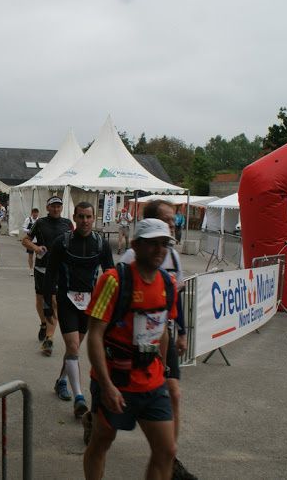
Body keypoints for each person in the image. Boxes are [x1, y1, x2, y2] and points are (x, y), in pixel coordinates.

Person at [83, 218, 178, 480]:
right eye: (152, 244)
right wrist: (106, 385)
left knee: (166, 450)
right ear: (135, 245)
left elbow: (163, 330)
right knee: (101, 442)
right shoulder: (114, 280)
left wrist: (165, 370)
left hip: (152, 382)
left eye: (164, 244)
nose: (159, 250)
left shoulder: (168, 284)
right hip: (116, 380)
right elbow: (95, 334)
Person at [118, 200, 196, 480]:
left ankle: (169, 458)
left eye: (173, 222)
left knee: (174, 393)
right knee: (108, 422)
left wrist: (183, 332)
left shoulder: (172, 258)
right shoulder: (130, 259)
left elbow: (177, 298)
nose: (172, 225)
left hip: (161, 336)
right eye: (167, 221)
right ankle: (95, 415)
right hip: (125, 345)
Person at [43, 202, 114, 413]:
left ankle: (61, 381)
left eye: (88, 217)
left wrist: (110, 307)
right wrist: (48, 304)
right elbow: (50, 274)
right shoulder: (62, 243)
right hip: (67, 301)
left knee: (73, 349)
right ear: (74, 217)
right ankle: (79, 398)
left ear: (94, 218)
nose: (84, 221)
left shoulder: (102, 244)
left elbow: (111, 276)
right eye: (81, 216)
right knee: (73, 347)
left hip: (90, 305)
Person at [21, 196, 73, 356]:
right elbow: (25, 240)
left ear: (61, 208)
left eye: (58, 206)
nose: (56, 209)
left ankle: (49, 338)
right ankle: (43, 323)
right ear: (47, 207)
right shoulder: (40, 223)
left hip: (59, 270)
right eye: (53, 206)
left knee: (54, 302)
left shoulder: (68, 224)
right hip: (42, 268)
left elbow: (74, 243)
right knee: (40, 300)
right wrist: (36, 248)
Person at [22, 208, 40, 276]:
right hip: (30, 240)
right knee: (30, 256)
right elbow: (23, 228)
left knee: (39, 256)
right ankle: (31, 269)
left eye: (36, 213)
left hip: (38, 240)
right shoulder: (28, 219)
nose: (35, 214)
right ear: (32, 213)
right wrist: (30, 231)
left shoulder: (39, 220)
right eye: (34, 213)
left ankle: (37, 269)